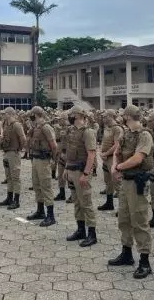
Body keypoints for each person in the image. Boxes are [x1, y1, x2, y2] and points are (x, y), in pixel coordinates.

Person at [108, 104, 154, 278]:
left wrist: (118, 167)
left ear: (127, 117)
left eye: (123, 116)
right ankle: (126, 254)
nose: (121, 118)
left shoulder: (144, 135)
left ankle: (144, 261)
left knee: (140, 220)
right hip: (126, 182)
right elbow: (117, 152)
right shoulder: (125, 134)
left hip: (137, 182)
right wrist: (115, 166)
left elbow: (138, 158)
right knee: (124, 218)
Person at [65, 105, 98, 247]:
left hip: (81, 171)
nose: (70, 117)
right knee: (77, 202)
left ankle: (92, 234)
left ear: (78, 115)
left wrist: (86, 173)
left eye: (72, 114)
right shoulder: (72, 131)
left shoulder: (88, 132)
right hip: (72, 169)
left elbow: (91, 154)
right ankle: (80, 230)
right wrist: (66, 168)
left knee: (86, 202)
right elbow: (69, 152)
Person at [26, 106, 58, 226]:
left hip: (44, 160)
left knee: (46, 186)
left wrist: (54, 160)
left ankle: (51, 216)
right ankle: (40, 211)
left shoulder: (46, 127)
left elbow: (54, 146)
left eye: (32, 114)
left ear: (36, 114)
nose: (31, 116)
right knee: (37, 185)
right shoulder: (35, 127)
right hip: (36, 158)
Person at [0, 107, 26, 210]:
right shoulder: (6, 125)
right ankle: (9, 198)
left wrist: (19, 149)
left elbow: (23, 139)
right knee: (8, 176)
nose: (3, 115)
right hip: (6, 152)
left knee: (15, 177)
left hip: (13, 153)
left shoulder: (16, 125)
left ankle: (16, 200)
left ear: (10, 114)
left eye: (5, 113)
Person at [98, 109, 124, 211]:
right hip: (105, 158)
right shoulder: (107, 128)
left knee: (117, 183)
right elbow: (103, 142)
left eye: (105, 116)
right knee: (108, 182)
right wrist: (101, 153)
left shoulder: (117, 129)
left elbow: (117, 145)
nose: (103, 118)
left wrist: (106, 153)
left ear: (111, 116)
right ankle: (109, 203)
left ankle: (122, 208)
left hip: (113, 158)